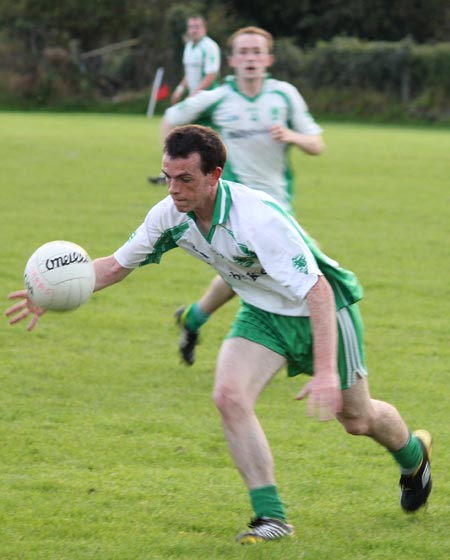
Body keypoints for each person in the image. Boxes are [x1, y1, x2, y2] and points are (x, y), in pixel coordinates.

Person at [5, 125, 433, 544]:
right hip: (262, 313)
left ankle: (414, 457)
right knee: (228, 395)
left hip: (322, 310)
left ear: (215, 176)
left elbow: (317, 290)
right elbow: (116, 265)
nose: (173, 189)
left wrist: (324, 372)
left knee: (357, 420)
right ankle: (272, 517)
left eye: (185, 179)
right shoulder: (169, 215)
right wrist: (57, 291)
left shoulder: (256, 219)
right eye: (168, 177)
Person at [161, 26, 325, 365]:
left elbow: (317, 144)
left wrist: (292, 136)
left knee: (246, 272)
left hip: (278, 205)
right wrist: (172, 165)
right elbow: (172, 118)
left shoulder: (284, 96)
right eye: (244, 52)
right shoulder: (220, 97)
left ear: (268, 59)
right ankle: (306, 353)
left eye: (257, 52)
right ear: (232, 60)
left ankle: (193, 319)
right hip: (234, 205)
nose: (250, 58)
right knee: (310, 267)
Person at [148, 15, 221, 185]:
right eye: (191, 27)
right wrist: (181, 88)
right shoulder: (189, 46)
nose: (194, 30)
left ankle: (170, 172)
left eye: (197, 26)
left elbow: (211, 75)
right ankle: (177, 173)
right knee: (197, 137)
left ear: (204, 28)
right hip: (195, 98)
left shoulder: (210, 47)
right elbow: (190, 74)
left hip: (208, 99)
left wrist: (194, 95)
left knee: (169, 121)